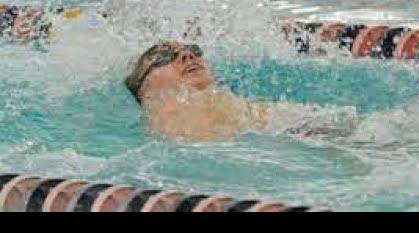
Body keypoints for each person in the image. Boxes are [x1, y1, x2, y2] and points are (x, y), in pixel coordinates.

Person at [125, 40, 358, 141]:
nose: (188, 55)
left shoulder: (227, 101)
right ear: (143, 86)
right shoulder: (167, 116)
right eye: (165, 57)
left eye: (193, 50)